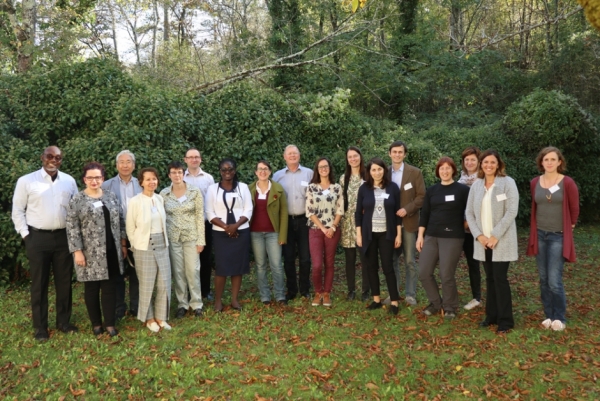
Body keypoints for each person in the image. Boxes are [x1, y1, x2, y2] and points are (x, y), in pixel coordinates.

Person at [12, 146, 79, 341]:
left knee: (64, 283)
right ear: (42, 157)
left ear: (61, 160)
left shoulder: (69, 181)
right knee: (39, 284)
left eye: (57, 157)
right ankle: (40, 327)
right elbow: (17, 210)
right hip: (37, 238)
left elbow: (75, 209)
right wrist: (26, 236)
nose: (53, 160)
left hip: (63, 237)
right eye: (49, 156)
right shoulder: (26, 181)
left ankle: (63, 322)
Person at [66, 162, 125, 337]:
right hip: (89, 252)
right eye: (90, 177)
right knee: (92, 289)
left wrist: (122, 243)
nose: (94, 181)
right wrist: (77, 250)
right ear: (84, 179)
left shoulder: (110, 196)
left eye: (97, 177)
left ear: (103, 178)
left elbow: (120, 220)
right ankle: (96, 324)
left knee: (109, 287)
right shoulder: (77, 199)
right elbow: (71, 227)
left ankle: (109, 324)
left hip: (111, 250)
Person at [526, 147, 579, 331]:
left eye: (552, 159)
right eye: (545, 159)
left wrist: (570, 226)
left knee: (554, 279)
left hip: (558, 236)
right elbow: (535, 206)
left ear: (559, 162)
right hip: (540, 234)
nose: (549, 162)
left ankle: (559, 317)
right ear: (541, 162)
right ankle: (548, 314)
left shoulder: (567, 183)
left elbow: (574, 208)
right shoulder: (535, 182)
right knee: (543, 278)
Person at [466, 150, 518, 334]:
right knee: (489, 278)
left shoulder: (507, 183)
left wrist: (495, 235)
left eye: (492, 162)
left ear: (498, 164)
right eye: (485, 162)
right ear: (481, 164)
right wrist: (479, 236)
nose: (489, 165)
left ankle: (505, 320)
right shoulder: (477, 185)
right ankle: (491, 316)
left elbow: (512, 211)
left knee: (500, 278)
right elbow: (469, 213)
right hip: (482, 241)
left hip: (501, 240)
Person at [417, 157, 470, 320]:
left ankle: (450, 306)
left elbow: (470, 212)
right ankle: (435, 303)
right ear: (438, 171)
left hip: (452, 237)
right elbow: (425, 214)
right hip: (431, 235)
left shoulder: (462, 190)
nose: (445, 171)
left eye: (448, 168)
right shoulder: (432, 190)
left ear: (453, 170)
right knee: (424, 272)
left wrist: (465, 226)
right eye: (442, 168)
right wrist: (420, 236)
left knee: (446, 273)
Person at [126, 167, 172, 332]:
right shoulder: (135, 201)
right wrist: (136, 245)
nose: (151, 182)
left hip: (162, 244)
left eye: (154, 178)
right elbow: (130, 227)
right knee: (146, 284)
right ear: (141, 182)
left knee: (164, 283)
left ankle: (161, 317)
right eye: (148, 179)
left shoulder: (160, 199)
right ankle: (149, 318)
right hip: (143, 246)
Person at [206, 158, 253, 312]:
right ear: (220, 171)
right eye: (224, 170)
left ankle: (234, 299)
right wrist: (226, 227)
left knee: (237, 266)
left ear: (235, 170)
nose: (227, 172)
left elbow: (248, 209)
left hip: (241, 232)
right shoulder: (213, 189)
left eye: (230, 169)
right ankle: (218, 301)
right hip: (221, 233)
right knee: (222, 267)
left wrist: (235, 226)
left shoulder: (243, 187)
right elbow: (209, 212)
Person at [356, 158, 402, 315]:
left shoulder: (393, 188)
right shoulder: (364, 189)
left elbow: (398, 214)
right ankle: (376, 299)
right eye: (373, 170)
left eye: (379, 169)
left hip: (387, 234)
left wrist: (399, 235)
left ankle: (394, 302)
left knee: (388, 267)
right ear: (369, 172)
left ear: (384, 170)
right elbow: (358, 214)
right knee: (371, 266)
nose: (377, 172)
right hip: (369, 234)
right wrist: (359, 235)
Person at [160, 161, 206, 318]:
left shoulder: (194, 191)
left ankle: (196, 303)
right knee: (178, 271)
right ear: (169, 175)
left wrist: (201, 240)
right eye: (173, 172)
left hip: (192, 237)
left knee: (193, 270)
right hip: (173, 238)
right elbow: (161, 217)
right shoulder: (164, 194)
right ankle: (182, 303)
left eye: (179, 172)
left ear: (183, 174)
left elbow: (200, 215)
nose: (177, 175)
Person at [102, 150, 142, 319]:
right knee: (117, 271)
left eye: (128, 162)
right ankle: (119, 307)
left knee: (137, 272)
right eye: (122, 162)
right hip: (115, 235)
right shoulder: (106, 185)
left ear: (133, 165)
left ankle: (136, 305)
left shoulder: (142, 184)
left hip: (138, 234)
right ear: (116, 165)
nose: (125, 165)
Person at [386, 141, 425, 306]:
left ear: (404, 154)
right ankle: (393, 294)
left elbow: (421, 196)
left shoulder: (415, 173)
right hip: (389, 224)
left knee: (409, 260)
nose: (397, 154)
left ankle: (410, 294)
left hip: (408, 222)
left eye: (400, 152)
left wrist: (407, 209)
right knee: (391, 260)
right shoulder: (383, 172)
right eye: (394, 152)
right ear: (389, 154)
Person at [273, 145, 314, 301]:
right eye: (289, 154)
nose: (292, 156)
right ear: (284, 156)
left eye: (295, 153)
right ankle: (291, 290)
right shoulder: (277, 176)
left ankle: (305, 289)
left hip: (305, 220)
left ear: (299, 155)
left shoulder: (309, 173)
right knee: (288, 258)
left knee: (305, 258)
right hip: (286, 222)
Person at [249, 160, 288, 305]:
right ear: (256, 172)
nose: (262, 171)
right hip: (255, 233)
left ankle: (279, 295)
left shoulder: (278, 189)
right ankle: (264, 295)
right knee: (260, 265)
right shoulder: (249, 189)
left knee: (276, 265)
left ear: (270, 171)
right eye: (260, 169)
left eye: (265, 169)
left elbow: (284, 212)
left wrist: (282, 235)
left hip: (273, 233)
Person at [306, 157, 344, 307]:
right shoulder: (311, 188)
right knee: (316, 265)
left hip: (333, 230)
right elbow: (309, 211)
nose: (323, 169)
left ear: (329, 168)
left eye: (326, 166)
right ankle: (318, 291)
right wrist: (323, 228)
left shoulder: (337, 188)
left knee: (329, 262)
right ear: (317, 169)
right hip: (316, 230)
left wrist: (333, 227)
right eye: (320, 167)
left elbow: (340, 209)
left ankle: (327, 293)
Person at [183, 148, 215, 301]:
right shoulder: (180, 177)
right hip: (187, 225)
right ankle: (190, 291)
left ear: (201, 159)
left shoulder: (208, 178)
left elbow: (212, 201)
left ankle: (206, 290)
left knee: (206, 259)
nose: (194, 159)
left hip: (205, 223)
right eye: (191, 157)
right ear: (185, 160)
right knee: (189, 259)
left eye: (196, 157)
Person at [339, 147, 370, 301]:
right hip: (347, 224)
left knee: (365, 257)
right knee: (349, 259)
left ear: (360, 157)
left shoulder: (368, 176)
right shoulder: (343, 178)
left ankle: (366, 290)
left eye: (355, 156)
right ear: (347, 159)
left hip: (364, 224)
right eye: (350, 157)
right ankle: (351, 290)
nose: (353, 159)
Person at [458, 146, 483, 311]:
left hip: (477, 229)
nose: (469, 162)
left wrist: (469, 221)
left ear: (478, 161)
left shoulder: (482, 181)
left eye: (473, 159)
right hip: (460, 229)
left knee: (474, 263)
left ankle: (477, 297)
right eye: (467, 159)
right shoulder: (459, 181)